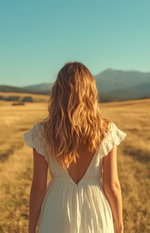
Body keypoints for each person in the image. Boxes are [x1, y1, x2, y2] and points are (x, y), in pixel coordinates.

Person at [24, 62, 126, 233]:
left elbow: (38, 187)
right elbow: (111, 186)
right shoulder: (106, 131)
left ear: (57, 92)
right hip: (96, 208)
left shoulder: (42, 132)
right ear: (91, 93)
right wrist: (119, 225)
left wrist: (31, 226)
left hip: (57, 208)